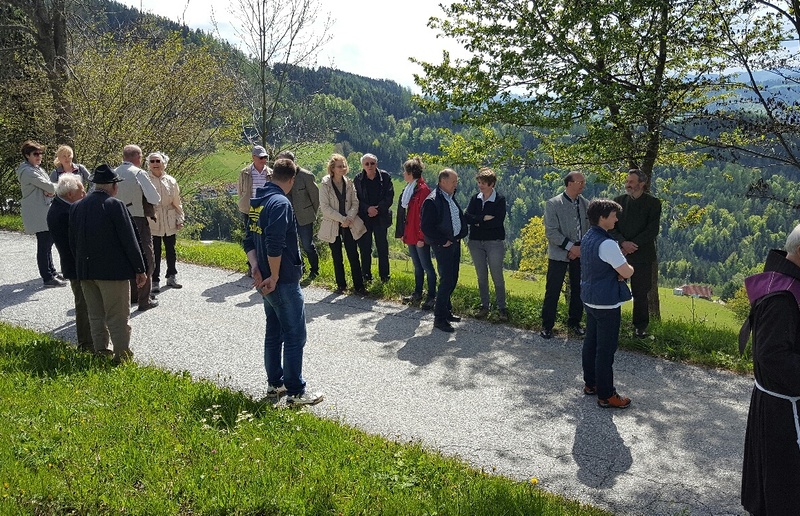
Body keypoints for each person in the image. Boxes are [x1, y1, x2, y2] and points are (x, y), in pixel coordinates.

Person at [243, 158, 323, 406]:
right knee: (295, 335)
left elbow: (248, 239)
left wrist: (255, 268)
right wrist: (274, 276)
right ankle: (296, 392)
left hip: (264, 280)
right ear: (292, 179)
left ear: (272, 174)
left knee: (274, 333)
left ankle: (275, 385)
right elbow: (274, 243)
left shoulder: (258, 201)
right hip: (282, 280)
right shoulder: (280, 202)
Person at [740, 228, 800, 515]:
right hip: (783, 409)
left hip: (782, 404)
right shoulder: (781, 297)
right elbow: (772, 356)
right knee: (783, 484)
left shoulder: (788, 283)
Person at [69, 164, 148, 362]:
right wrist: (140, 269)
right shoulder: (114, 205)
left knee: (95, 315)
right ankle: (122, 356)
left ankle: (101, 352)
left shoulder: (77, 206)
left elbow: (72, 241)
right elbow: (129, 239)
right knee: (117, 316)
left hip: (86, 271)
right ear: (113, 185)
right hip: (112, 272)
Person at [580, 199, 634, 409]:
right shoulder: (608, 243)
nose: (616, 219)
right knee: (606, 349)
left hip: (590, 297)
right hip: (606, 302)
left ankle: (591, 384)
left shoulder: (588, 237)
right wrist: (626, 270)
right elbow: (626, 271)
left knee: (591, 343)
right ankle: (606, 394)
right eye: (613, 216)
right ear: (602, 218)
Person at [610, 169, 662, 338]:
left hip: (643, 255)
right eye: (627, 181)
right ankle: (611, 322)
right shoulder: (617, 202)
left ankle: (640, 327)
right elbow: (611, 227)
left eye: (631, 182)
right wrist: (623, 243)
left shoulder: (653, 203)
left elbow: (652, 230)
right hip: (619, 253)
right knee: (613, 288)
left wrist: (633, 244)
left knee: (641, 293)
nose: (628, 185)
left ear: (642, 184)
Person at [541, 171, 590, 339]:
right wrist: (570, 247)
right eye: (580, 182)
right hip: (559, 254)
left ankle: (574, 322)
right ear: (569, 184)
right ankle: (547, 325)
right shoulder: (553, 203)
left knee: (578, 289)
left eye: (583, 182)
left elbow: (589, 229)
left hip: (580, 253)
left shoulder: (586, 204)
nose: (583, 185)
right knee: (552, 290)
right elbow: (551, 232)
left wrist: (579, 249)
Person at [46, 174, 92, 351]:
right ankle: (86, 344)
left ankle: (89, 341)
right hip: (76, 265)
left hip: (75, 264)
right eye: (82, 191)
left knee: (86, 303)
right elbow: (76, 243)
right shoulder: (65, 213)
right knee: (84, 304)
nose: (85, 194)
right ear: (71, 194)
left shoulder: (61, 206)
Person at [421, 168, 468, 333]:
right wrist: (443, 241)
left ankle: (446, 311)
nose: (456, 185)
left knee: (452, 278)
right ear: (443, 181)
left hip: (454, 243)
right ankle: (439, 319)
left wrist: (459, 235)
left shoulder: (449, 197)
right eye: (453, 182)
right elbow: (426, 227)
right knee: (446, 280)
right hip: (444, 246)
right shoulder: (432, 201)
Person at [114, 144, 160, 311]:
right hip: (137, 219)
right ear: (138, 157)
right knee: (146, 257)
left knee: (125, 256)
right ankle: (144, 300)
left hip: (116, 219)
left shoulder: (113, 173)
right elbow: (154, 198)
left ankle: (131, 295)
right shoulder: (138, 173)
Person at [16, 140, 64, 287]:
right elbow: (49, 186)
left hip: (44, 210)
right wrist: (57, 188)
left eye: (40, 153)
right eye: (35, 154)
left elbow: (49, 189)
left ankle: (52, 271)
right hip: (38, 213)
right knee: (44, 245)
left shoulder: (37, 169)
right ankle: (47, 277)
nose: (39, 156)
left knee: (48, 243)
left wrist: (50, 191)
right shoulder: (28, 171)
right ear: (27, 155)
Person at [318, 154, 367, 294]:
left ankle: (359, 286)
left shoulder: (349, 183)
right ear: (332, 168)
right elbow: (325, 207)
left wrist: (349, 218)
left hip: (349, 224)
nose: (343, 168)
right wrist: (342, 219)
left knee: (353, 255)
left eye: (344, 165)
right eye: (340, 166)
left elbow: (355, 203)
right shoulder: (325, 184)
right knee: (337, 256)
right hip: (333, 224)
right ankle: (341, 285)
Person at [464, 167, 508, 321]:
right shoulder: (475, 198)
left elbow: (497, 222)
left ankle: (502, 308)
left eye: (483, 183)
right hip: (475, 242)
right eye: (479, 182)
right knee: (481, 276)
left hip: (494, 242)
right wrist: (483, 218)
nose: (480, 186)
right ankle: (484, 306)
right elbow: (467, 217)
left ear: (491, 184)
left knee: (497, 276)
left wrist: (476, 221)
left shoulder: (499, 200)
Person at [395, 157, 436, 310]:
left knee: (427, 266)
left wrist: (421, 238)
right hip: (411, 234)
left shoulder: (423, 190)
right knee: (417, 266)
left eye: (404, 171)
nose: (403, 174)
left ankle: (431, 296)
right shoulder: (411, 188)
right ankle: (417, 293)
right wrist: (404, 233)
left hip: (419, 237)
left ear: (411, 173)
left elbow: (424, 217)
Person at [146, 152, 184, 293]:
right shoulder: (145, 180)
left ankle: (171, 276)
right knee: (154, 251)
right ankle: (155, 280)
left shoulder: (171, 181)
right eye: (152, 161)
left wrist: (180, 218)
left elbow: (177, 202)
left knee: (171, 250)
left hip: (169, 218)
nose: (155, 164)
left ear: (164, 163)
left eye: (158, 161)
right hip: (153, 219)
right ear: (148, 164)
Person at [279, 150, 320, 280]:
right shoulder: (280, 177)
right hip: (288, 217)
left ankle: (315, 270)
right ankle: (301, 268)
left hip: (305, 217)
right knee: (292, 245)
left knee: (307, 245)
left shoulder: (306, 176)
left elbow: (316, 198)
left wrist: (310, 213)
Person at [353, 153, 394, 283]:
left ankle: (384, 277)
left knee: (382, 248)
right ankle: (366, 276)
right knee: (365, 248)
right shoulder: (358, 179)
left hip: (381, 218)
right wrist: (367, 209)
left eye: (372, 163)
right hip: (365, 218)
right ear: (363, 165)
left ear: (376, 164)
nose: (370, 166)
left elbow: (389, 196)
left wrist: (377, 209)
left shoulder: (385, 177)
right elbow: (356, 199)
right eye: (367, 164)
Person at [238, 145, 272, 275]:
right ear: (253, 157)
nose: (264, 160)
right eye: (261, 157)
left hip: (265, 209)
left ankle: (264, 265)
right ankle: (251, 266)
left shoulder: (270, 173)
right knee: (250, 237)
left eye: (265, 157)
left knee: (264, 236)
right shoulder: (245, 173)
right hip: (249, 209)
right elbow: (240, 190)